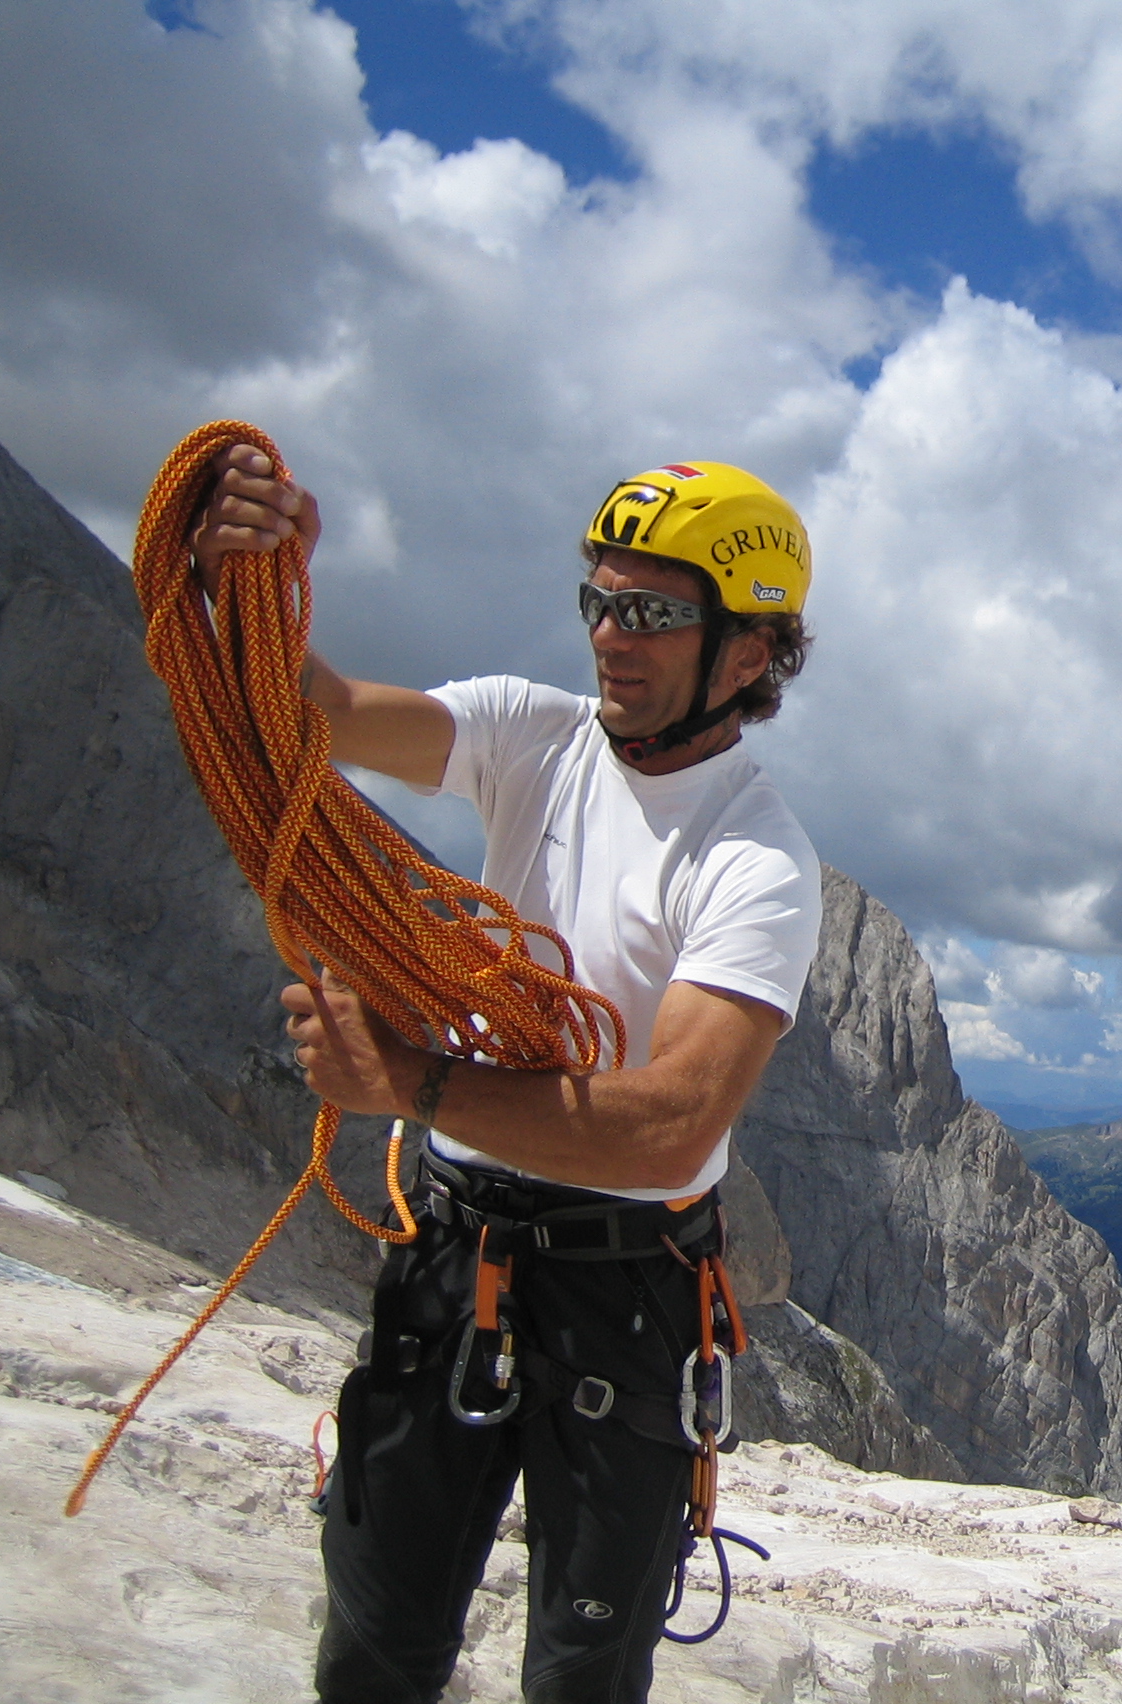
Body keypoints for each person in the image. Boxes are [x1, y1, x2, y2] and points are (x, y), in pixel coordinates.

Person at [188, 445, 824, 1703]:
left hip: (623, 1284)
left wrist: (413, 1085)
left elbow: (670, 1125)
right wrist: (252, 580)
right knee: (371, 1649)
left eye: (649, 612)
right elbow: (305, 713)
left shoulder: (755, 861)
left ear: (749, 652)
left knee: (583, 1675)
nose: (608, 636)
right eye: (597, 599)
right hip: (459, 1249)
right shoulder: (531, 734)